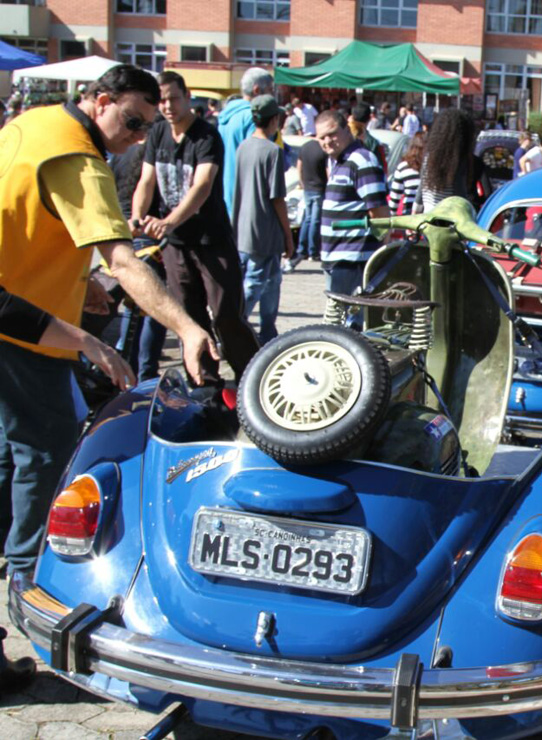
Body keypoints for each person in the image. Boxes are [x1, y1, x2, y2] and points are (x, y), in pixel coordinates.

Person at [0, 66, 218, 679]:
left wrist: (79, 288)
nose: (136, 137)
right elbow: (122, 259)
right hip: (16, 336)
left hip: (17, 318)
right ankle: (33, 590)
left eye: (149, 127)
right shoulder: (80, 160)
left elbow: (28, 228)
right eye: (130, 122)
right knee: (45, 456)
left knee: (9, 460)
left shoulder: (32, 124)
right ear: (99, 101)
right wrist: (184, 327)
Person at [133, 71, 260, 385]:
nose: (167, 105)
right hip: (175, 245)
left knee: (226, 314)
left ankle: (251, 378)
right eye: (161, 100)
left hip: (212, 240)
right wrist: (137, 217)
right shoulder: (158, 132)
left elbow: (202, 185)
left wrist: (168, 221)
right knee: (188, 317)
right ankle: (204, 383)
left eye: (173, 98)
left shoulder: (206, 135)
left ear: (187, 97)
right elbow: (146, 181)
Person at [234, 95, 294, 344]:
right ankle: (234, 323)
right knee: (257, 281)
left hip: (242, 226)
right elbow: (277, 198)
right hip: (265, 230)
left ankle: (268, 330)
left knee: (271, 280)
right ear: (275, 120)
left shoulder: (244, 146)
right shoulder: (273, 152)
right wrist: (288, 236)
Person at [110, 137, 168, 381]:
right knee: (155, 308)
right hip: (148, 236)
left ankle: (128, 368)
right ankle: (146, 373)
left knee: (131, 307)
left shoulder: (119, 153)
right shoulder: (150, 155)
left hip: (123, 236)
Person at [317, 109, 389, 302]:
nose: (327, 141)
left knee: (347, 326)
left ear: (346, 130)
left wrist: (380, 255)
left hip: (354, 259)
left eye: (332, 134)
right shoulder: (340, 162)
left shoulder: (362, 160)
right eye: (322, 137)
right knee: (340, 323)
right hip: (340, 259)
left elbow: (380, 214)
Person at [217, 67, 273, 214]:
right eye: (270, 90)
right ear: (257, 90)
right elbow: (256, 157)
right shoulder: (252, 116)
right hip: (246, 197)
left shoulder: (226, 116)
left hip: (225, 192)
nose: (272, 95)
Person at [420, 109, 481, 211]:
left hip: (428, 215)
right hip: (447, 217)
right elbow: (459, 195)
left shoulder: (429, 156)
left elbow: (422, 185)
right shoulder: (457, 161)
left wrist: (416, 210)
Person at [295, 135, 327, 264]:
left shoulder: (305, 146)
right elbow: (327, 170)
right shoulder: (323, 149)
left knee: (307, 219)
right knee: (315, 220)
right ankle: (313, 251)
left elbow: (299, 165)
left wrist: (301, 182)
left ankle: (302, 249)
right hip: (319, 188)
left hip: (307, 188)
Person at [386, 131, 424, 215]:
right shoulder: (431, 168)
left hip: (408, 214)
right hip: (428, 214)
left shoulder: (403, 167)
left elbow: (395, 198)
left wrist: (391, 220)